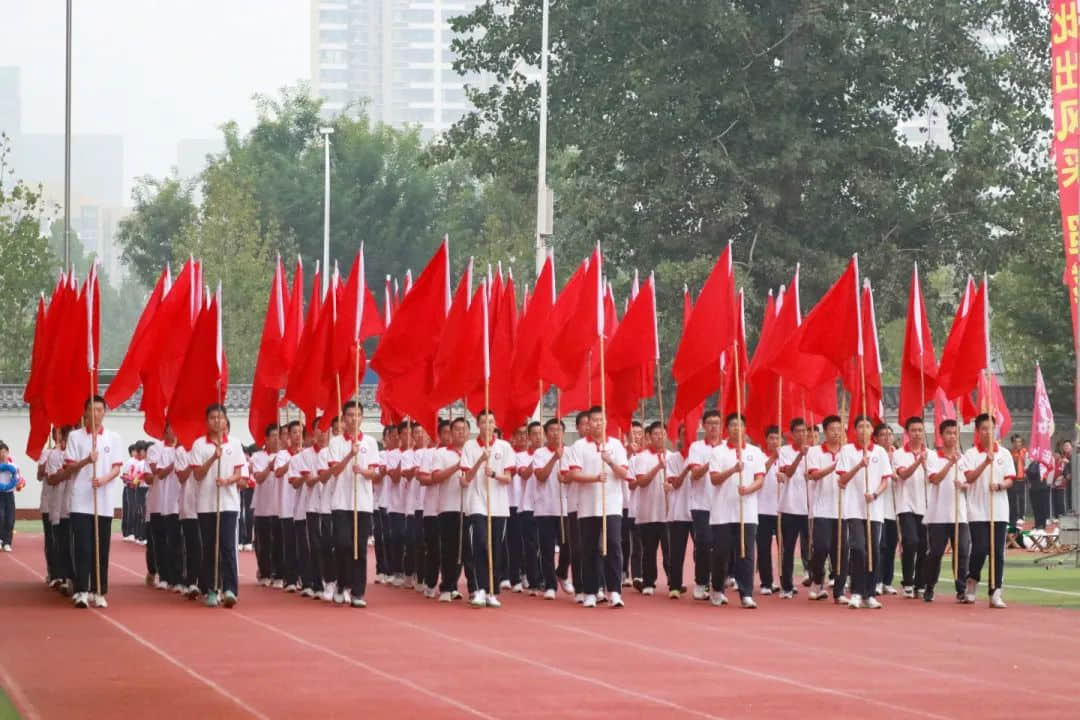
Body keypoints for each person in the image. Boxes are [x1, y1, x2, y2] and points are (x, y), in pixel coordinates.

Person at [57, 396, 124, 609]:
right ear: (84, 413)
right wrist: (87, 460)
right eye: (91, 410)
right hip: (80, 500)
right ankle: (81, 590)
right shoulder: (76, 437)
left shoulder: (113, 438)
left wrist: (103, 479)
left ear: (104, 412)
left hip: (103, 501)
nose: (95, 414)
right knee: (83, 547)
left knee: (101, 548)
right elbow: (68, 468)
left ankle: (99, 590)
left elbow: (116, 468)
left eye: (99, 410)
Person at [567, 406, 629, 609]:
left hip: (611, 506)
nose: (597, 424)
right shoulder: (579, 446)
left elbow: (623, 474)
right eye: (593, 420)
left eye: (601, 420)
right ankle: (591, 591)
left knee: (613, 545)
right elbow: (574, 475)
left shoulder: (616, 445)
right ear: (589, 423)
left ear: (606, 422)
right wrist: (595, 478)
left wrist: (610, 462)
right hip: (587, 507)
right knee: (589, 549)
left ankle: (614, 591)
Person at [189, 404, 246, 608]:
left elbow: (240, 473)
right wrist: (214, 456)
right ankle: (211, 588)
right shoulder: (199, 445)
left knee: (228, 547)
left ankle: (230, 589)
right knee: (210, 548)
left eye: (220, 418)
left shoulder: (236, 444)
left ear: (226, 420)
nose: (217, 421)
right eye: (212, 418)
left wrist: (229, 480)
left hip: (229, 504)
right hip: (206, 505)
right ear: (207, 421)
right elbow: (197, 474)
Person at [707, 413, 765, 609]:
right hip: (722, 513)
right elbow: (714, 480)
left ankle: (746, 593)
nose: (736, 429)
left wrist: (748, 489)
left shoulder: (755, 452)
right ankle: (717, 589)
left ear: (744, 428)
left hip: (746, 512)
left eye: (739, 425)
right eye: (732, 425)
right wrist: (733, 469)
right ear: (727, 428)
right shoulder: (718, 452)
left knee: (746, 553)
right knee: (721, 553)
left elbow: (760, 479)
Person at [326, 400, 381, 607]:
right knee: (342, 545)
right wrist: (350, 454)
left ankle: (358, 592)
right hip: (341, 502)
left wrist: (363, 471)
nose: (353, 419)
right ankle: (342, 585)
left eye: (357, 415)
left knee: (359, 548)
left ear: (362, 418)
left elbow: (374, 474)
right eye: (350, 415)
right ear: (344, 418)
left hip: (363, 503)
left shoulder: (370, 443)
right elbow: (334, 471)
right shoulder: (336, 443)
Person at [835, 415, 892, 610]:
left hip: (874, 509)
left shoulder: (881, 453)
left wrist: (875, 494)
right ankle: (857, 592)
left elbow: (886, 479)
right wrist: (859, 465)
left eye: (868, 426)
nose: (864, 430)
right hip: (854, 509)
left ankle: (869, 593)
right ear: (855, 430)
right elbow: (841, 481)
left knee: (874, 552)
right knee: (858, 549)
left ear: (872, 431)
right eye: (860, 426)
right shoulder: (847, 451)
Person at [461, 410, 517, 608]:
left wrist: (493, 474)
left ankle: (492, 591)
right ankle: (479, 589)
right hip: (477, 503)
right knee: (480, 544)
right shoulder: (469, 446)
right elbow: (466, 479)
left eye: (491, 422)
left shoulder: (505, 447)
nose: (488, 425)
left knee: (495, 548)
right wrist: (480, 461)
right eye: (484, 422)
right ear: (478, 425)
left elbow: (508, 478)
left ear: (495, 424)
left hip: (499, 506)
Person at [963, 414, 1014, 608]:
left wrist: (1000, 485)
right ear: (978, 431)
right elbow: (969, 478)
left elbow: (1011, 478)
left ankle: (995, 591)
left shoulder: (1004, 453)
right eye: (984, 428)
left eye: (991, 428)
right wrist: (985, 462)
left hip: (999, 510)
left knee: (997, 553)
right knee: (980, 549)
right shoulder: (971, 454)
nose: (988, 432)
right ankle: (972, 581)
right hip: (977, 510)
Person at [923, 419, 971, 603]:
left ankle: (961, 588)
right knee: (935, 553)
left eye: (954, 433)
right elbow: (934, 479)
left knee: (962, 551)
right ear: (941, 435)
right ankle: (929, 585)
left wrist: (964, 485)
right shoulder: (933, 457)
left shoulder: (963, 457)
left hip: (959, 514)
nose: (952, 436)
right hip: (938, 515)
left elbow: (969, 481)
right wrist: (949, 464)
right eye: (948, 433)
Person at [806, 415, 845, 603]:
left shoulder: (848, 451)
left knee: (841, 550)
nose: (836, 433)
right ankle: (817, 580)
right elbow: (813, 475)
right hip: (821, 509)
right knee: (821, 547)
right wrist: (834, 467)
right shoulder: (815, 452)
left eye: (839, 429)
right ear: (825, 431)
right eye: (832, 429)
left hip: (844, 509)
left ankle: (839, 591)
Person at [686, 410, 724, 601]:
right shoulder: (696, 447)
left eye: (717, 423)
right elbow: (694, 474)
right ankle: (701, 582)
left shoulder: (727, 448)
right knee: (703, 543)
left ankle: (718, 582)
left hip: (722, 505)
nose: (713, 427)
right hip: (701, 504)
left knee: (721, 546)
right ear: (703, 425)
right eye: (710, 423)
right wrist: (711, 463)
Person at [630, 421, 669, 596]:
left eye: (663, 434)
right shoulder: (642, 458)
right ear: (649, 437)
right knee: (649, 551)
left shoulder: (673, 456)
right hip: (648, 513)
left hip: (668, 513)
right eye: (656, 434)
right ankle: (648, 582)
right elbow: (642, 482)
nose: (660, 437)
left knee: (670, 550)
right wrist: (657, 467)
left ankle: (673, 581)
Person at [892, 417, 930, 598]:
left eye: (920, 430)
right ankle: (907, 580)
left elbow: (933, 479)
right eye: (913, 430)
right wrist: (918, 462)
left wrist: (926, 464)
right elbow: (904, 474)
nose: (917, 433)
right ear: (907, 433)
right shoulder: (899, 454)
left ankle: (920, 583)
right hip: (905, 505)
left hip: (925, 506)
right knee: (911, 542)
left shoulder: (930, 454)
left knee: (924, 545)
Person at [433, 417, 469, 602]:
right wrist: (456, 466)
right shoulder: (441, 454)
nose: (460, 432)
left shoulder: (474, 452)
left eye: (464, 429)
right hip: (448, 507)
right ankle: (447, 586)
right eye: (456, 429)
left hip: (470, 507)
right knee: (449, 549)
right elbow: (436, 477)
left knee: (466, 550)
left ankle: (461, 585)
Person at [531, 419, 567, 600]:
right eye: (552, 430)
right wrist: (554, 458)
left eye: (559, 430)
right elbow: (541, 476)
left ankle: (562, 572)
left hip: (566, 508)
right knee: (546, 549)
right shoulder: (539, 453)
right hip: (545, 508)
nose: (555, 433)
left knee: (568, 547)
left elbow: (573, 477)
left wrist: (565, 478)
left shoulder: (571, 452)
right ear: (546, 433)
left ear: (564, 433)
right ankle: (550, 585)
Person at [147, 426, 184, 593]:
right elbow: (156, 473)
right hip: (159, 501)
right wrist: (173, 463)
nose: (175, 431)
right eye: (171, 428)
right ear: (165, 430)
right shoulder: (155, 449)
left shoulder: (185, 449)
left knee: (177, 542)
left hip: (180, 502)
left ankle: (178, 577)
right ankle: (164, 576)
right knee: (161, 541)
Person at [777, 418, 811, 598]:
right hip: (790, 507)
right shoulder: (784, 451)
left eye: (804, 431)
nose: (802, 434)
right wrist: (800, 456)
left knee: (814, 547)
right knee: (788, 548)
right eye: (798, 431)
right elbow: (787, 473)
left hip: (809, 509)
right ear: (791, 434)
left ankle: (815, 583)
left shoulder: (813, 452)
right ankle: (787, 586)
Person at [417, 420, 448, 599]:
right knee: (434, 549)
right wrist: (440, 477)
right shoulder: (429, 454)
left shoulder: (458, 453)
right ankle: (430, 582)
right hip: (431, 509)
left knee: (450, 549)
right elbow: (423, 479)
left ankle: (448, 583)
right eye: (444, 433)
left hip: (451, 507)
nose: (448, 436)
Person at [664, 425, 693, 598]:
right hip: (678, 511)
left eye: (689, 434)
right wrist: (687, 469)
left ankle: (703, 583)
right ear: (679, 437)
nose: (687, 438)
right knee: (677, 551)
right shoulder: (673, 459)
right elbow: (675, 484)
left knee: (703, 548)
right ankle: (675, 585)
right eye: (683, 434)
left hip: (699, 510)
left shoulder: (702, 455)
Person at [755, 426, 782, 595]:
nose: (774, 441)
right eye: (771, 438)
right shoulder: (760, 456)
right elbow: (759, 472)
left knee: (784, 549)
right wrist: (773, 458)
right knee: (764, 548)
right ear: (766, 440)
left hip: (782, 509)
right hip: (763, 509)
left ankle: (786, 583)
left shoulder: (785, 457)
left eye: (777, 438)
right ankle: (766, 583)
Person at [250, 425, 278, 585]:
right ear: (266, 439)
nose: (276, 439)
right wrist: (270, 467)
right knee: (263, 542)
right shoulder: (258, 457)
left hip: (280, 507)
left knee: (278, 543)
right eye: (273, 436)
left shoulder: (284, 455)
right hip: (262, 506)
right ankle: (265, 572)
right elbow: (258, 478)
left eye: (278, 435)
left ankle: (277, 571)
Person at [517, 421, 543, 594]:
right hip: (527, 506)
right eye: (534, 434)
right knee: (531, 545)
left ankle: (548, 577)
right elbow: (524, 474)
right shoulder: (521, 456)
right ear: (528, 437)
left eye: (540, 433)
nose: (538, 437)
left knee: (546, 545)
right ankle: (534, 580)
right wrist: (537, 460)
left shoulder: (552, 454)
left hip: (547, 506)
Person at [874, 424, 900, 596]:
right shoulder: (874, 455)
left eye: (889, 434)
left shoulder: (898, 455)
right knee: (879, 546)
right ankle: (876, 580)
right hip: (877, 507)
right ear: (875, 438)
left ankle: (887, 581)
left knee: (891, 546)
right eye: (883, 434)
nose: (887, 437)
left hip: (893, 507)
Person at [175, 442, 201, 598]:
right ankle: (191, 581)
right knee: (192, 546)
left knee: (206, 546)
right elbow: (182, 477)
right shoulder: (181, 450)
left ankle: (206, 583)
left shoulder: (207, 448)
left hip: (206, 505)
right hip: (188, 506)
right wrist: (192, 463)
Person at [0, 442, 20, 552]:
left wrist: (18, 484)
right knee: (0, 517)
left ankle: (7, 542)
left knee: (10, 519)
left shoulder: (14, 466)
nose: (3, 455)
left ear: (8, 453)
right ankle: (0, 539)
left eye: (4, 452)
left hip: (9, 495)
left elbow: (18, 480)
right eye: (0, 452)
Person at [1008, 435, 1028, 528]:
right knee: (1013, 499)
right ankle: (1013, 517)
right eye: (1016, 442)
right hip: (1012, 479)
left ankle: (1021, 516)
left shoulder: (1024, 452)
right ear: (1013, 443)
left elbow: (1028, 463)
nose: (1018, 444)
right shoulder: (1009, 453)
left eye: (1019, 442)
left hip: (1022, 478)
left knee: (1021, 498)